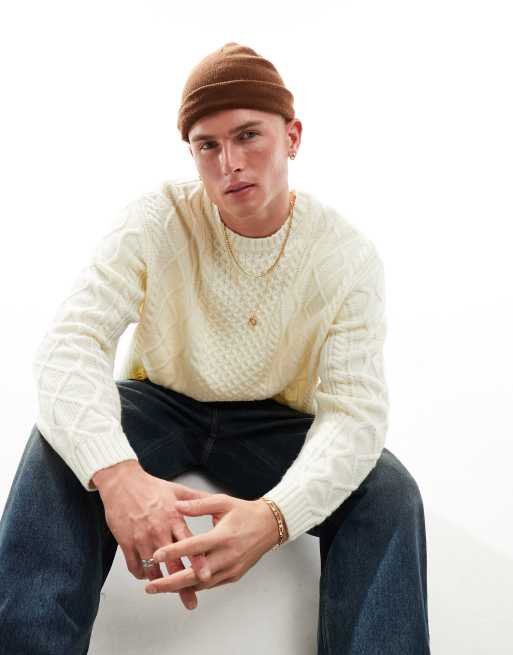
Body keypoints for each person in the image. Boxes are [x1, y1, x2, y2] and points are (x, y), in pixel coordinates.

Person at [0, 42, 431, 654]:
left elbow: (355, 414)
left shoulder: (347, 256)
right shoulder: (155, 219)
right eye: (208, 145)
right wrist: (119, 477)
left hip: (272, 422)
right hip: (159, 402)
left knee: (388, 491)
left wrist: (273, 518)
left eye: (248, 135)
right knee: (60, 443)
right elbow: (69, 345)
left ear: (292, 137)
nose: (230, 162)